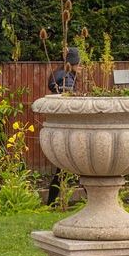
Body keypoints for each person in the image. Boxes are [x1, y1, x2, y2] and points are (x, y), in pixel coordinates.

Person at [45, 48, 80, 205]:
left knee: (63, 170)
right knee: (81, 168)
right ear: (71, 64)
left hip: (60, 127)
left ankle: (51, 203)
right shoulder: (67, 77)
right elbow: (70, 97)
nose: (79, 67)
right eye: (78, 64)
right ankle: (96, 201)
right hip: (69, 128)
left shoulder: (57, 74)